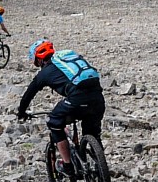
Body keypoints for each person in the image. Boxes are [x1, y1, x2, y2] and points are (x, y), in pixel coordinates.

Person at [16, 40, 105, 171]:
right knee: (92, 132)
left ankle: (67, 165)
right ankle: (101, 169)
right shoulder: (65, 62)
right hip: (98, 98)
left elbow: (28, 95)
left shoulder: (44, 73)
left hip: (77, 100)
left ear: (38, 60)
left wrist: (21, 112)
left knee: (54, 122)